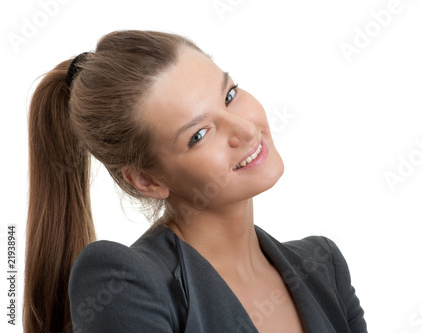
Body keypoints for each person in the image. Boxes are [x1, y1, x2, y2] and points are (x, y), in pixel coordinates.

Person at [24, 30, 367, 333]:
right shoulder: (124, 282)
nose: (247, 130)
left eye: (230, 95)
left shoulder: (323, 266)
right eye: (200, 134)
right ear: (147, 180)